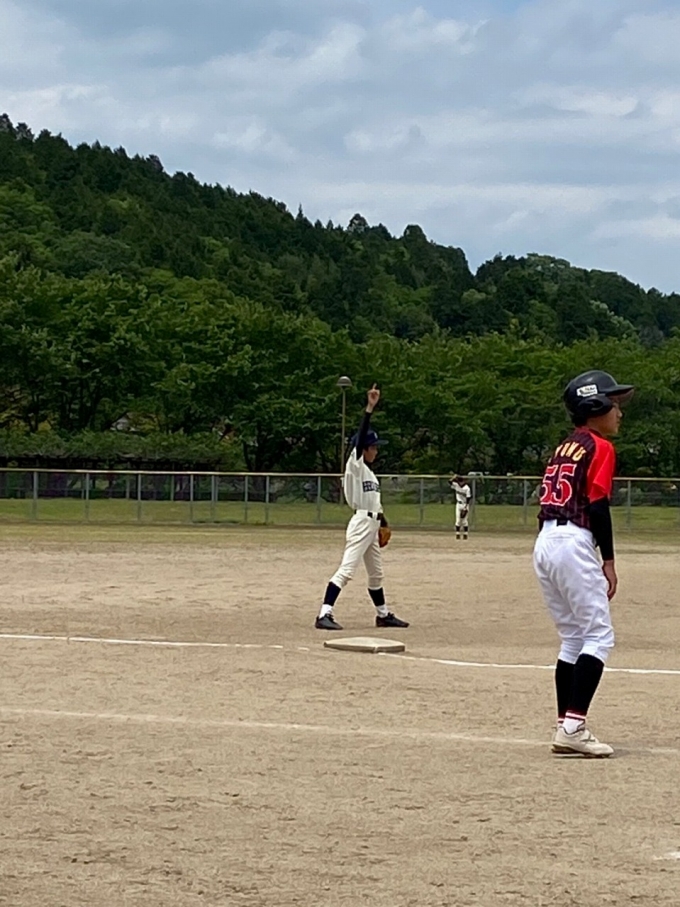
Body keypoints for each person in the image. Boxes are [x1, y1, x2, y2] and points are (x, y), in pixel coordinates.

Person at [533, 370, 634, 757]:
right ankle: (574, 727)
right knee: (598, 636)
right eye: (613, 404)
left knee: (574, 637)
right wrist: (608, 560)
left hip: (546, 541)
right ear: (595, 406)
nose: (618, 412)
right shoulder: (599, 446)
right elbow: (597, 505)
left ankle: (565, 725)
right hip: (573, 540)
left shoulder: (565, 447)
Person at [315, 384, 409, 631]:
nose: (376, 451)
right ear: (364, 449)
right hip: (360, 523)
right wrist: (369, 408)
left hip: (372, 524)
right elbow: (360, 435)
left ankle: (382, 615)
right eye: (373, 447)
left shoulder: (369, 473)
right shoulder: (355, 465)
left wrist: (383, 522)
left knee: (376, 574)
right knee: (347, 570)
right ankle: (324, 614)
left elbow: (375, 502)